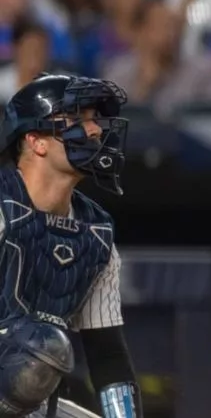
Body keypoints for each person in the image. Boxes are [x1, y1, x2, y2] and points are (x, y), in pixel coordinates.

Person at [0, 73, 141, 418]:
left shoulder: (96, 234)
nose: (93, 131)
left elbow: (107, 357)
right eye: (77, 119)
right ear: (37, 141)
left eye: (94, 120)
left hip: (31, 404)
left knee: (42, 350)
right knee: (32, 346)